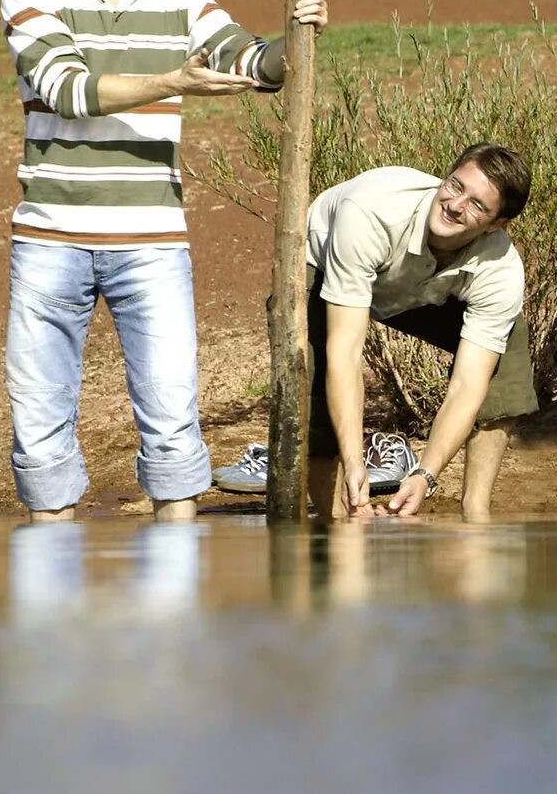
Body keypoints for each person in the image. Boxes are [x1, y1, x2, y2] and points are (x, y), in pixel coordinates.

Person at [2, 0, 327, 520]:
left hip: (152, 243)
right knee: (40, 436)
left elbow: (253, 61)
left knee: (175, 429)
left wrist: (295, 36)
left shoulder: (184, 4)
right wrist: (174, 83)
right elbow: (70, 90)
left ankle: (172, 606)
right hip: (49, 242)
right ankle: (47, 608)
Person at [226, 147, 537, 520]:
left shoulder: (501, 269)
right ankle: (340, 515)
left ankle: (476, 514)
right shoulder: (370, 212)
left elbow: (468, 385)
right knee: (313, 368)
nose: (455, 205)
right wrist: (356, 462)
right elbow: (345, 351)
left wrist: (425, 474)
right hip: (326, 268)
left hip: (420, 291)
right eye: (455, 186)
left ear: (495, 224)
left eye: (476, 206)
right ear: (446, 176)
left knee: (508, 349)